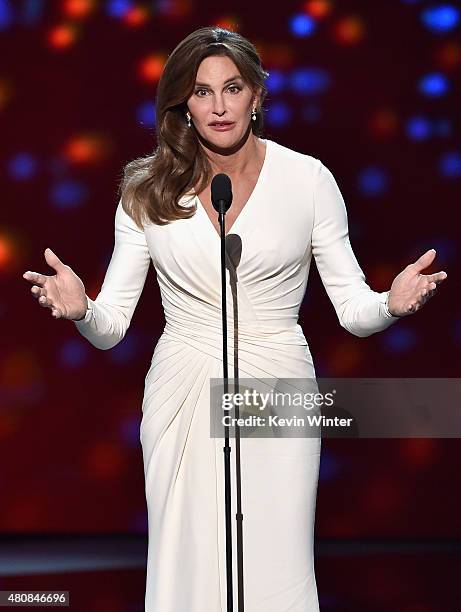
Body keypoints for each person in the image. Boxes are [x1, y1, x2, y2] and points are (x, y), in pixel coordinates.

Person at [22, 26, 447, 612]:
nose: (218, 106)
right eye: (201, 91)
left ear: (257, 94)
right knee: (189, 560)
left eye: (232, 87)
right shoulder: (148, 189)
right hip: (184, 385)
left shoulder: (308, 180)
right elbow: (112, 322)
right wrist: (81, 311)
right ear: (182, 104)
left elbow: (353, 309)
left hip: (279, 384)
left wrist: (390, 305)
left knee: (277, 560)